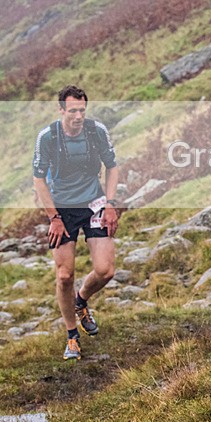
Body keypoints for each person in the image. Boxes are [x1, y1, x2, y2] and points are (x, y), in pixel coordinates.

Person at [32, 85, 119, 361]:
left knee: (105, 270)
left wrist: (110, 203)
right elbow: (39, 179)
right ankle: (72, 336)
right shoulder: (48, 137)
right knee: (64, 275)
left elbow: (113, 166)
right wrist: (54, 217)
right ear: (61, 110)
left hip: (94, 202)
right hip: (63, 209)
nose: (78, 116)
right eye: (72, 111)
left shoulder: (97, 131)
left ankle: (81, 301)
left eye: (82, 110)